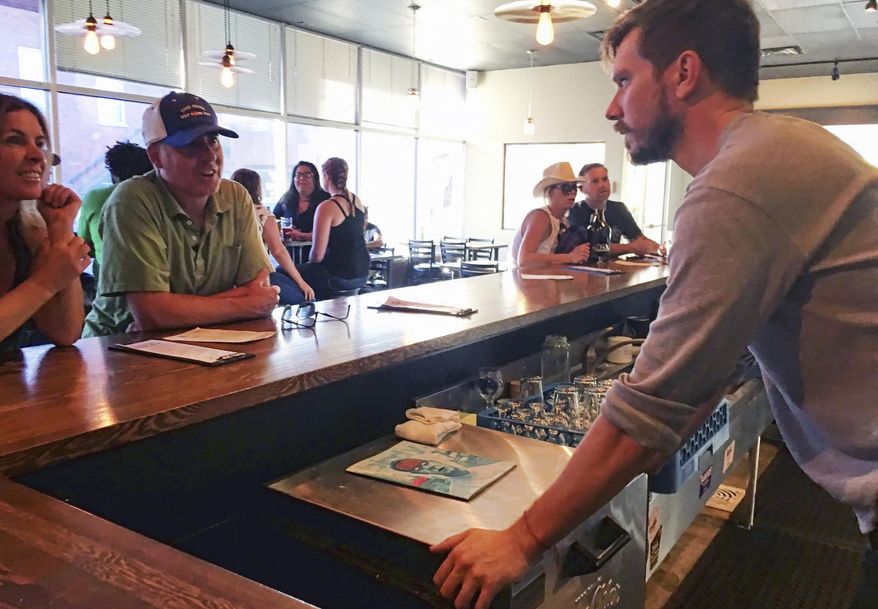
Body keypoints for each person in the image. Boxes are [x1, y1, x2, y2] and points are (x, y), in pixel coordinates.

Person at [431, 2, 878, 609]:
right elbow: (690, 391)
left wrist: (523, 537)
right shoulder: (775, 151)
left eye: (623, 81)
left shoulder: (735, 184)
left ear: (683, 73)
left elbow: (652, 410)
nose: (612, 109)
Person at [82, 92, 279, 337]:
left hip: (201, 344)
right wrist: (246, 305)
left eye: (213, 140)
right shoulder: (132, 200)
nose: (209, 156)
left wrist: (177, 310)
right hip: (116, 349)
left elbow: (258, 288)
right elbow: (153, 314)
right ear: (155, 156)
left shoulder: (236, 196)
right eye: (191, 144)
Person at [0, 93, 89, 350]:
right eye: (14, 141)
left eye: (40, 143)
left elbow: (65, 331)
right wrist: (44, 282)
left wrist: (60, 231)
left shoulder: (28, 231)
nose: (37, 155)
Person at [230, 168, 314, 304]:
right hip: (259, 276)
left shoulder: (226, 214)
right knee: (305, 299)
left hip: (230, 279)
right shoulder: (263, 214)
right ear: (257, 188)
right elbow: (278, 251)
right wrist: (302, 283)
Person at [295, 157, 370, 294]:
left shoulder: (327, 207)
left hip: (338, 275)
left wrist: (307, 264)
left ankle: (306, 308)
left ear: (325, 176)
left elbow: (317, 255)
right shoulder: (356, 201)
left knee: (284, 272)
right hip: (362, 273)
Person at [77, 141, 153, 276]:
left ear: (114, 174)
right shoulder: (157, 195)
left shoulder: (96, 197)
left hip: (107, 286)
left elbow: (84, 244)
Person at [568, 162, 662, 256]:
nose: (602, 185)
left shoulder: (619, 209)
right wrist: (631, 247)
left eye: (605, 179)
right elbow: (591, 248)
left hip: (614, 269)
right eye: (595, 181)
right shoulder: (574, 211)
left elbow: (640, 241)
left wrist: (661, 249)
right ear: (581, 189)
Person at [510, 162, 591, 269]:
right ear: (549, 192)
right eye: (565, 187)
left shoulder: (563, 221)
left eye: (574, 187)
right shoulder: (540, 216)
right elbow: (524, 260)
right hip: (525, 282)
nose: (572, 192)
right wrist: (570, 257)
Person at [272, 161, 330, 241]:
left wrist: (300, 235)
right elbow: (272, 220)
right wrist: (282, 228)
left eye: (307, 175)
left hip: (317, 251)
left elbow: (329, 233)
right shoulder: (286, 199)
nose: (302, 178)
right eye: (298, 175)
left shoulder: (326, 200)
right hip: (289, 252)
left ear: (315, 179)